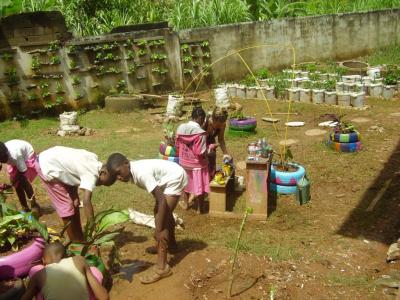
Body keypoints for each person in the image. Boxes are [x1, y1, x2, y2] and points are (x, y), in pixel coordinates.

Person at [106, 153, 188, 284]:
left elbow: (161, 200)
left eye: (118, 173)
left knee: (163, 221)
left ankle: (162, 268)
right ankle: (172, 244)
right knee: (161, 213)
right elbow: (159, 198)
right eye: (116, 176)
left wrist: (159, 230)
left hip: (175, 177)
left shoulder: (141, 174)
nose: (119, 178)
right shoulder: (134, 172)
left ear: (126, 163)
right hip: (168, 177)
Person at [35, 146, 114, 243]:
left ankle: (76, 236)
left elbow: (73, 171)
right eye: (101, 183)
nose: (99, 185)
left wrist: (75, 195)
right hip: (47, 166)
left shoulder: (94, 159)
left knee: (75, 202)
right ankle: (75, 241)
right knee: (66, 205)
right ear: (102, 173)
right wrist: (92, 225)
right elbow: (86, 201)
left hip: (58, 164)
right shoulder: (92, 174)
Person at [21, 242, 109, 300]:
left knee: (39, 292)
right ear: (67, 256)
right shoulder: (79, 260)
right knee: (93, 271)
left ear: (43, 260)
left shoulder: (38, 275)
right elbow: (103, 297)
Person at [175, 106, 210, 213]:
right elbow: (200, 152)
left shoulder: (180, 128)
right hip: (197, 164)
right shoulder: (200, 133)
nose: (203, 122)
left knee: (185, 184)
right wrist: (210, 150)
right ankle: (200, 208)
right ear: (200, 118)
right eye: (203, 119)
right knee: (200, 186)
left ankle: (185, 204)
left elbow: (177, 145)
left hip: (184, 162)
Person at [0, 140, 39, 212]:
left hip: (26, 156)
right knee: (17, 186)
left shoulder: (15, 155)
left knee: (24, 182)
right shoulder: (2, 155)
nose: (3, 161)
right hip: (15, 160)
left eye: (3, 159)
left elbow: (22, 172)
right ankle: (24, 207)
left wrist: (12, 184)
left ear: (6, 154)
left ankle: (34, 205)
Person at [203, 107, 232, 180]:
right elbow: (197, 137)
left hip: (210, 140)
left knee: (212, 156)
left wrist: (225, 153)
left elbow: (221, 139)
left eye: (221, 124)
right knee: (203, 160)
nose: (220, 126)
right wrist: (206, 148)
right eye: (218, 124)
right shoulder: (204, 122)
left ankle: (211, 179)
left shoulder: (222, 124)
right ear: (213, 119)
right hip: (200, 140)